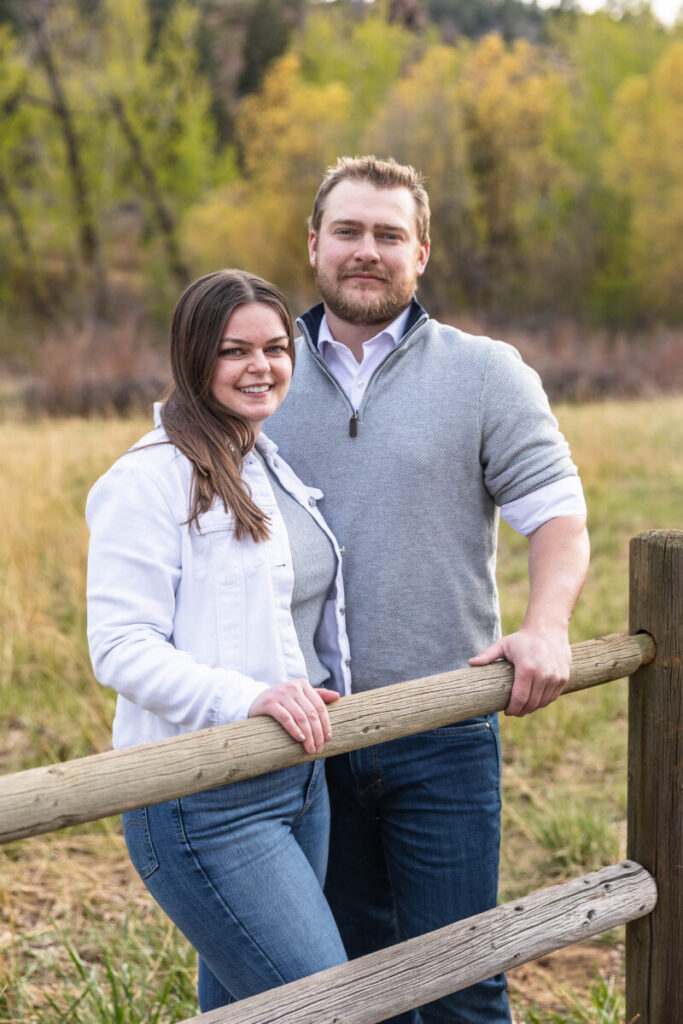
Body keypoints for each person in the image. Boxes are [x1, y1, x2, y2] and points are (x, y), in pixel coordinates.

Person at [266, 156, 590, 1024]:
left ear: (422, 252)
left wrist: (546, 627)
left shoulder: (485, 372)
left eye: (386, 234)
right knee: (348, 983)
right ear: (312, 244)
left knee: (463, 980)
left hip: (442, 723)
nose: (364, 251)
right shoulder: (258, 371)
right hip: (303, 737)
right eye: (347, 231)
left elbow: (556, 516)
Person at [85, 269, 351, 1013]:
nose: (260, 367)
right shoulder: (147, 480)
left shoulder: (268, 463)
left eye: (275, 348)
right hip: (201, 800)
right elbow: (120, 646)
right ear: (194, 355)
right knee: (324, 1005)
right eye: (235, 350)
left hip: (299, 781)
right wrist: (251, 698)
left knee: (247, 1008)